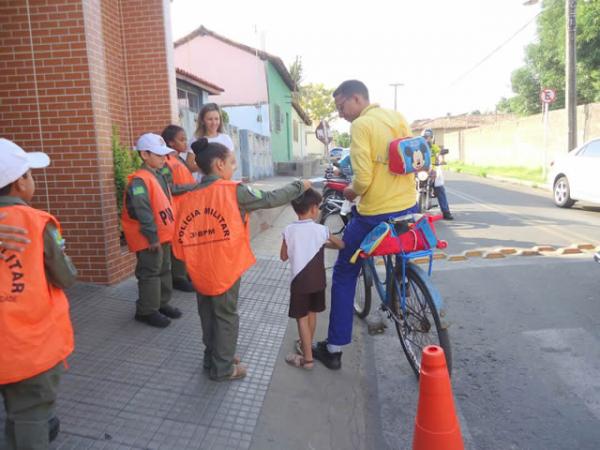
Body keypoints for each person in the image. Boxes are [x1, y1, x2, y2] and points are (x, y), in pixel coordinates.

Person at [172, 138, 310, 381]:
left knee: (207, 314)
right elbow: (270, 199)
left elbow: (180, 238)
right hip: (224, 267)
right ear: (219, 164)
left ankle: (213, 357)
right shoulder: (232, 191)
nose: (234, 168)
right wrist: (300, 186)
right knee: (226, 316)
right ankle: (223, 368)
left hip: (199, 269)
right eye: (232, 163)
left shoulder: (190, 195)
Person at [313, 80, 420, 370]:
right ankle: (403, 288)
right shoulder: (397, 117)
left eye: (341, 106)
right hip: (409, 205)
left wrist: (350, 191)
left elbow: (362, 179)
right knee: (399, 248)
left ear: (357, 99)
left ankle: (333, 349)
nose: (341, 113)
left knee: (345, 272)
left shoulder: (361, 126)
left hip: (375, 213)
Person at [0, 138, 77, 449]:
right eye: (30, 174)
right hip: (29, 346)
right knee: (31, 413)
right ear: (20, 182)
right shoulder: (37, 223)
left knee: (15, 410)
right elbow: (66, 276)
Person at [121, 133, 182, 328]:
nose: (163, 158)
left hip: (162, 236)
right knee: (150, 273)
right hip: (149, 238)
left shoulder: (158, 175)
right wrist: (152, 237)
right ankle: (146, 311)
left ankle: (161, 303)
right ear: (144, 154)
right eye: (158, 154)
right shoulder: (139, 180)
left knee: (164, 269)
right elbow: (143, 211)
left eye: (164, 154)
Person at [280, 188, 344, 370]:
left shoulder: (289, 230)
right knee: (312, 314)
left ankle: (307, 360)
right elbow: (341, 244)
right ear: (315, 209)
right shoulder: (321, 230)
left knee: (301, 318)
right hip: (318, 282)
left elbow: (283, 256)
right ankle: (305, 345)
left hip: (300, 283)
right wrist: (324, 241)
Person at [160, 125, 198, 292]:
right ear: (170, 143)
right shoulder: (165, 162)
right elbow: (168, 188)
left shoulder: (179, 160)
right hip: (175, 211)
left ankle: (186, 273)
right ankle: (179, 277)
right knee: (178, 244)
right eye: (181, 140)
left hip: (186, 210)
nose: (185, 143)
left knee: (185, 243)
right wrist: (190, 187)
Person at [422, 128, 454, 220]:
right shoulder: (419, 147)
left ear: (432, 138)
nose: (427, 139)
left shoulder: (434, 147)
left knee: (440, 189)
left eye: (429, 137)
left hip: (433, 171)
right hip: (421, 171)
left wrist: (441, 160)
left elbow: (439, 154)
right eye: (425, 137)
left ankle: (446, 212)